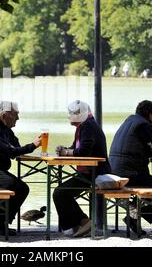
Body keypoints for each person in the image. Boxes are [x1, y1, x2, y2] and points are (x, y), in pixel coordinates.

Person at [0, 101, 41, 236]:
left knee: (21, 187)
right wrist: (32, 145)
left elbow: (15, 147)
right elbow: (10, 152)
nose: (18, 118)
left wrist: (17, 143)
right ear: (5, 115)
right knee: (12, 185)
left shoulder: (3, 128)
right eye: (16, 115)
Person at [109, 100, 152, 235]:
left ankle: (133, 215)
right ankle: (134, 216)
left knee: (151, 188)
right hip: (131, 174)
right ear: (149, 114)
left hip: (113, 171)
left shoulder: (129, 121)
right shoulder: (144, 125)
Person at [53, 100, 111, 237]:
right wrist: (66, 149)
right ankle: (81, 222)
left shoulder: (88, 126)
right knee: (63, 192)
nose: (69, 116)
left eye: (71, 113)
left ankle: (82, 222)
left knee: (60, 193)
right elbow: (76, 148)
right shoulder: (85, 126)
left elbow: (84, 151)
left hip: (96, 173)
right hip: (89, 172)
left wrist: (66, 153)